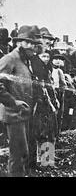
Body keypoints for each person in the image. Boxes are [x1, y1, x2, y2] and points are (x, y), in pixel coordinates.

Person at [0, 25, 42, 177]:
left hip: (24, 114)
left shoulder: (25, 61)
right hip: (13, 114)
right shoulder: (10, 59)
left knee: (24, 153)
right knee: (17, 155)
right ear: (18, 42)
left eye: (33, 43)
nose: (31, 46)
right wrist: (13, 102)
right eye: (27, 42)